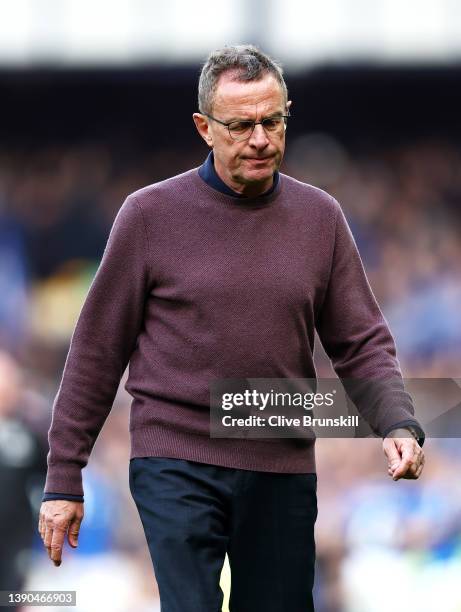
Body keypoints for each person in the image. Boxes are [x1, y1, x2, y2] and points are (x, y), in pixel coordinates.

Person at [39, 44, 425, 611]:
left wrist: (397, 421)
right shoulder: (148, 216)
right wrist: (63, 477)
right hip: (176, 458)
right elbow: (97, 350)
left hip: (281, 461)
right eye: (242, 125)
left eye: (273, 121)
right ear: (205, 128)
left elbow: (361, 341)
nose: (262, 139)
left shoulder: (322, 219)